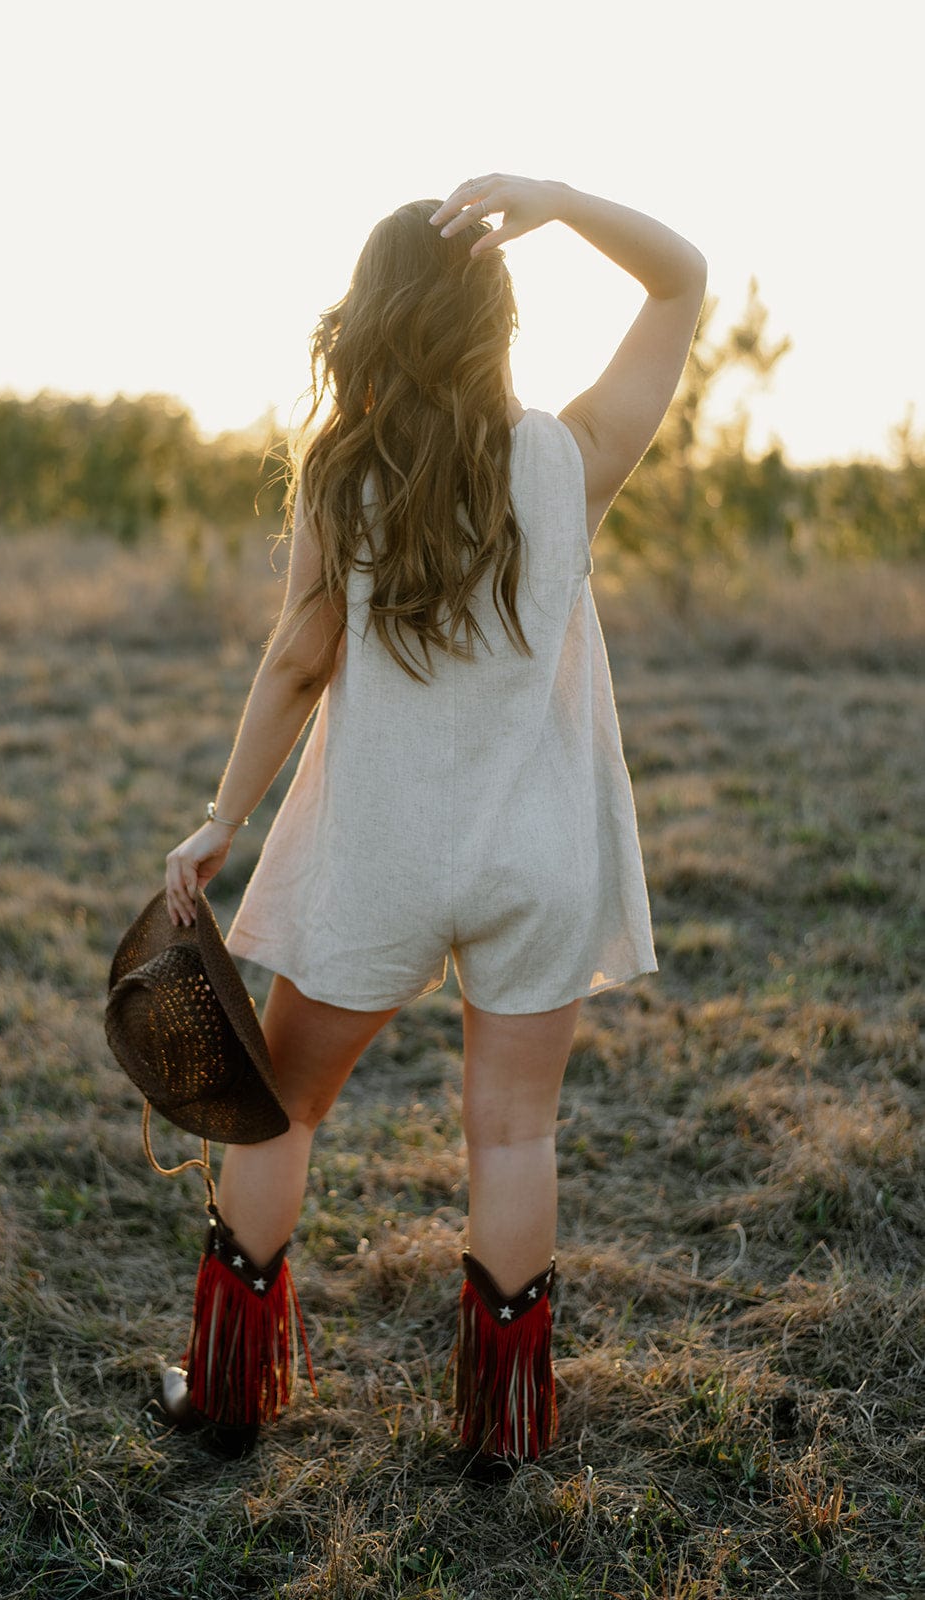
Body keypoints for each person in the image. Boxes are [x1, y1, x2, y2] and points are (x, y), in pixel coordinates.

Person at [160, 173, 706, 1471]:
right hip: (539, 863)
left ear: (374, 317)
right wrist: (560, 201)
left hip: (379, 859)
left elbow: (296, 663)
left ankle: (233, 1396)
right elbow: (682, 276)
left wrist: (221, 818)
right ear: (497, 317)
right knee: (512, 1132)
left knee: (281, 1109)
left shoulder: (345, 476)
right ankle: (503, 1431)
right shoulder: (567, 462)